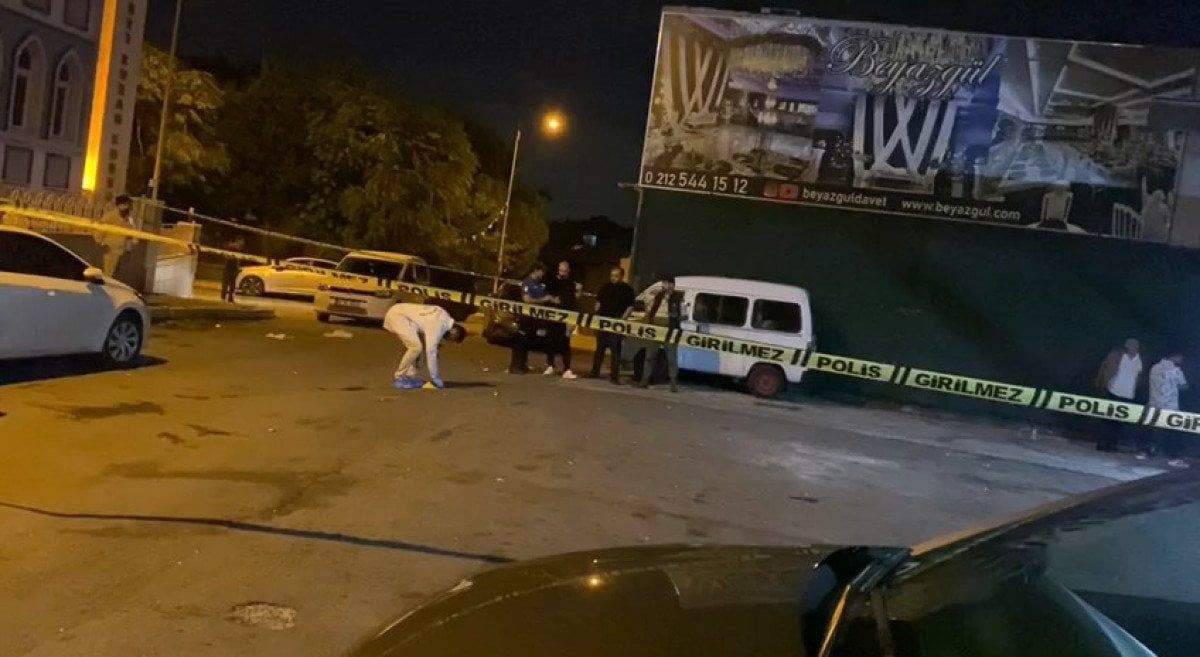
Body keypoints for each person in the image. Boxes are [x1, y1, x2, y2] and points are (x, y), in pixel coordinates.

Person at [383, 303, 467, 389]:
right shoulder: (437, 326)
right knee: (416, 347)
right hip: (398, 316)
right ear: (454, 333)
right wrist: (436, 379)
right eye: (451, 340)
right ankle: (400, 376)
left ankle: (409, 375)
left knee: (417, 348)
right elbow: (431, 353)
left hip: (402, 314)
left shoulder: (444, 316)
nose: (447, 340)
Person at [1095, 338, 1144, 453]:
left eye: (1134, 346)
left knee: (1119, 423)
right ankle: (1102, 443)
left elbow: (1139, 378)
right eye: (1130, 346)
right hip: (1113, 391)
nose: (1132, 348)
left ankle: (1112, 444)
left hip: (1128, 395)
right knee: (1107, 420)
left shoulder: (1140, 360)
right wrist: (1102, 383)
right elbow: (1105, 369)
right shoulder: (1117, 356)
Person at [636, 273, 682, 393]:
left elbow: (682, 314)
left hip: (670, 330)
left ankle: (673, 383)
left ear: (672, 285)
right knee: (649, 356)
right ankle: (644, 380)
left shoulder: (678, 298)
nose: (664, 285)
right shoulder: (658, 296)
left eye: (666, 283)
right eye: (663, 283)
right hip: (655, 329)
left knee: (671, 358)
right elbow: (650, 309)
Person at [590, 266, 636, 383]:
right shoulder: (605, 287)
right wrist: (596, 317)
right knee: (599, 350)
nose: (613, 278)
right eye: (612, 276)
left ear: (621, 276)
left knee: (615, 351)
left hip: (616, 324)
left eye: (616, 276)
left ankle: (614, 377)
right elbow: (598, 303)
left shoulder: (628, 289)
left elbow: (630, 306)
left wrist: (622, 320)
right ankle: (594, 372)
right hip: (603, 323)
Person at [508, 263, 555, 374]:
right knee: (520, 340)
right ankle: (516, 365)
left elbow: (544, 297)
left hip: (535, 318)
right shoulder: (527, 282)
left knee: (528, 341)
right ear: (536, 270)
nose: (543, 275)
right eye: (542, 272)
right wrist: (544, 299)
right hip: (526, 317)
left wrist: (551, 299)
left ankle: (523, 364)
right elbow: (527, 299)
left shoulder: (539, 284)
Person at [1148, 352, 1188, 461]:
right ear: (1175, 356)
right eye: (1181, 357)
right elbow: (1183, 386)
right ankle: (1171, 454)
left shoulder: (1154, 367)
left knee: (1155, 429)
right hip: (1170, 405)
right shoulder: (1176, 370)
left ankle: (1152, 451)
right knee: (1171, 431)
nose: (1182, 360)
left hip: (1154, 403)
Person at [543, 260, 578, 379]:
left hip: (565, 319)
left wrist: (572, 321)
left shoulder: (571, 284)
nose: (562, 273)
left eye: (564, 271)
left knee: (565, 344)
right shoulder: (553, 282)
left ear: (568, 271)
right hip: (552, 317)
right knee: (550, 342)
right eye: (560, 270)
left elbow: (572, 302)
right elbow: (547, 296)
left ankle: (567, 369)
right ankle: (550, 365)